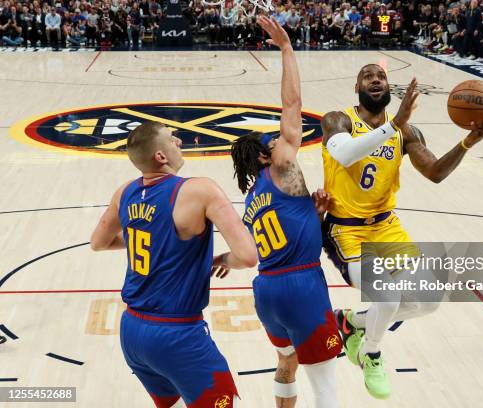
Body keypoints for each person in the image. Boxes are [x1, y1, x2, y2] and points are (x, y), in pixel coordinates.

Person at [320, 65, 483, 399]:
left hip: (386, 228)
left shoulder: (407, 132)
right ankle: (370, 352)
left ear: (390, 87)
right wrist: (392, 125)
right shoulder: (337, 120)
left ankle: (351, 322)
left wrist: (467, 142)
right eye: (368, 76)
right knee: (387, 298)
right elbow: (344, 154)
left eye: (382, 76)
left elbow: (434, 171)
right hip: (345, 230)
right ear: (356, 85)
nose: (376, 79)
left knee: (428, 301)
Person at [90, 121, 257, 408]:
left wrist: (148, 239)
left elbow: (98, 242)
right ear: (161, 156)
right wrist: (219, 260)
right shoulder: (201, 191)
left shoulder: (124, 193)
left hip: (132, 333)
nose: (179, 141)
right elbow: (248, 256)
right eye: (172, 138)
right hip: (177, 334)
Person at [230, 16, 342, 408]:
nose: (283, 139)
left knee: (286, 362)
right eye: (274, 140)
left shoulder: (252, 201)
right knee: (326, 383)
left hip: (267, 292)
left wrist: (314, 215)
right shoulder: (282, 166)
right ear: (265, 155)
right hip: (302, 286)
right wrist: (286, 48)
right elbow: (293, 105)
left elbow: (271, 241)